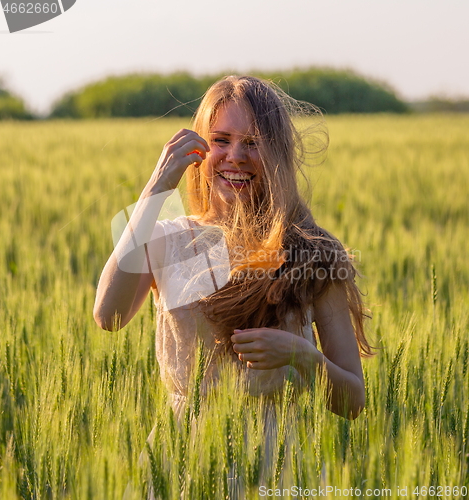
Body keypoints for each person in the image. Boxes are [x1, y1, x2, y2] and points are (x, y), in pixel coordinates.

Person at [93, 75, 374, 497]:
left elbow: (352, 400)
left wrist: (303, 357)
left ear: (277, 153)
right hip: (180, 465)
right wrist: (155, 188)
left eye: (254, 142)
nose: (235, 157)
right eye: (221, 140)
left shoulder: (312, 251)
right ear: (198, 150)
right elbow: (107, 315)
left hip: (276, 467)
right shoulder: (167, 239)